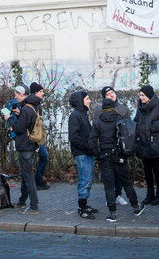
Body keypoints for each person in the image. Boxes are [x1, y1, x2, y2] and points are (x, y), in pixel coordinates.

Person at [92, 96, 144, 222]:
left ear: (102, 108)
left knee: (109, 186)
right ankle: (136, 207)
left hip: (105, 156)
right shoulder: (119, 119)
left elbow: (92, 140)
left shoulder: (97, 122)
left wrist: (97, 155)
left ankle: (112, 213)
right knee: (126, 182)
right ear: (113, 108)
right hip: (119, 155)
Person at [93, 86, 131, 206]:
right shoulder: (99, 111)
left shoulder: (123, 109)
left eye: (112, 92)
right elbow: (96, 130)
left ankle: (118, 194)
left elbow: (128, 128)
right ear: (104, 97)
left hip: (120, 147)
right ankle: (110, 196)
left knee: (120, 173)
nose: (111, 95)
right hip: (106, 147)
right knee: (109, 175)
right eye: (108, 94)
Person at [67, 90, 98, 219]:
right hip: (82, 153)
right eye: (87, 99)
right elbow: (74, 137)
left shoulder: (82, 114)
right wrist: (88, 147)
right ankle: (82, 207)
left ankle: (84, 204)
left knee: (87, 179)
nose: (90, 101)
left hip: (86, 152)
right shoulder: (76, 115)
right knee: (85, 179)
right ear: (80, 101)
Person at [135, 85, 159, 206]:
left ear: (149, 95)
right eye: (140, 95)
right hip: (143, 143)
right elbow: (136, 122)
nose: (141, 97)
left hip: (154, 143)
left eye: (143, 95)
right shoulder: (140, 108)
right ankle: (149, 194)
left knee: (156, 170)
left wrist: (151, 126)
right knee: (147, 171)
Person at [13, 91, 42, 213]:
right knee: (26, 174)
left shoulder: (26, 109)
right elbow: (29, 123)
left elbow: (19, 129)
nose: (15, 97)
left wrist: (10, 119)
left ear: (23, 95)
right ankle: (22, 200)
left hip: (25, 145)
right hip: (32, 144)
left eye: (17, 95)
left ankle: (34, 205)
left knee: (28, 176)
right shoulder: (35, 107)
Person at [29, 82, 50, 190]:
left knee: (44, 156)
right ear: (35, 93)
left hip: (39, 137)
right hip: (33, 137)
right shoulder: (30, 104)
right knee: (30, 161)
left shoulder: (38, 104)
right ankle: (32, 183)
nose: (43, 93)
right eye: (41, 91)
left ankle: (38, 180)